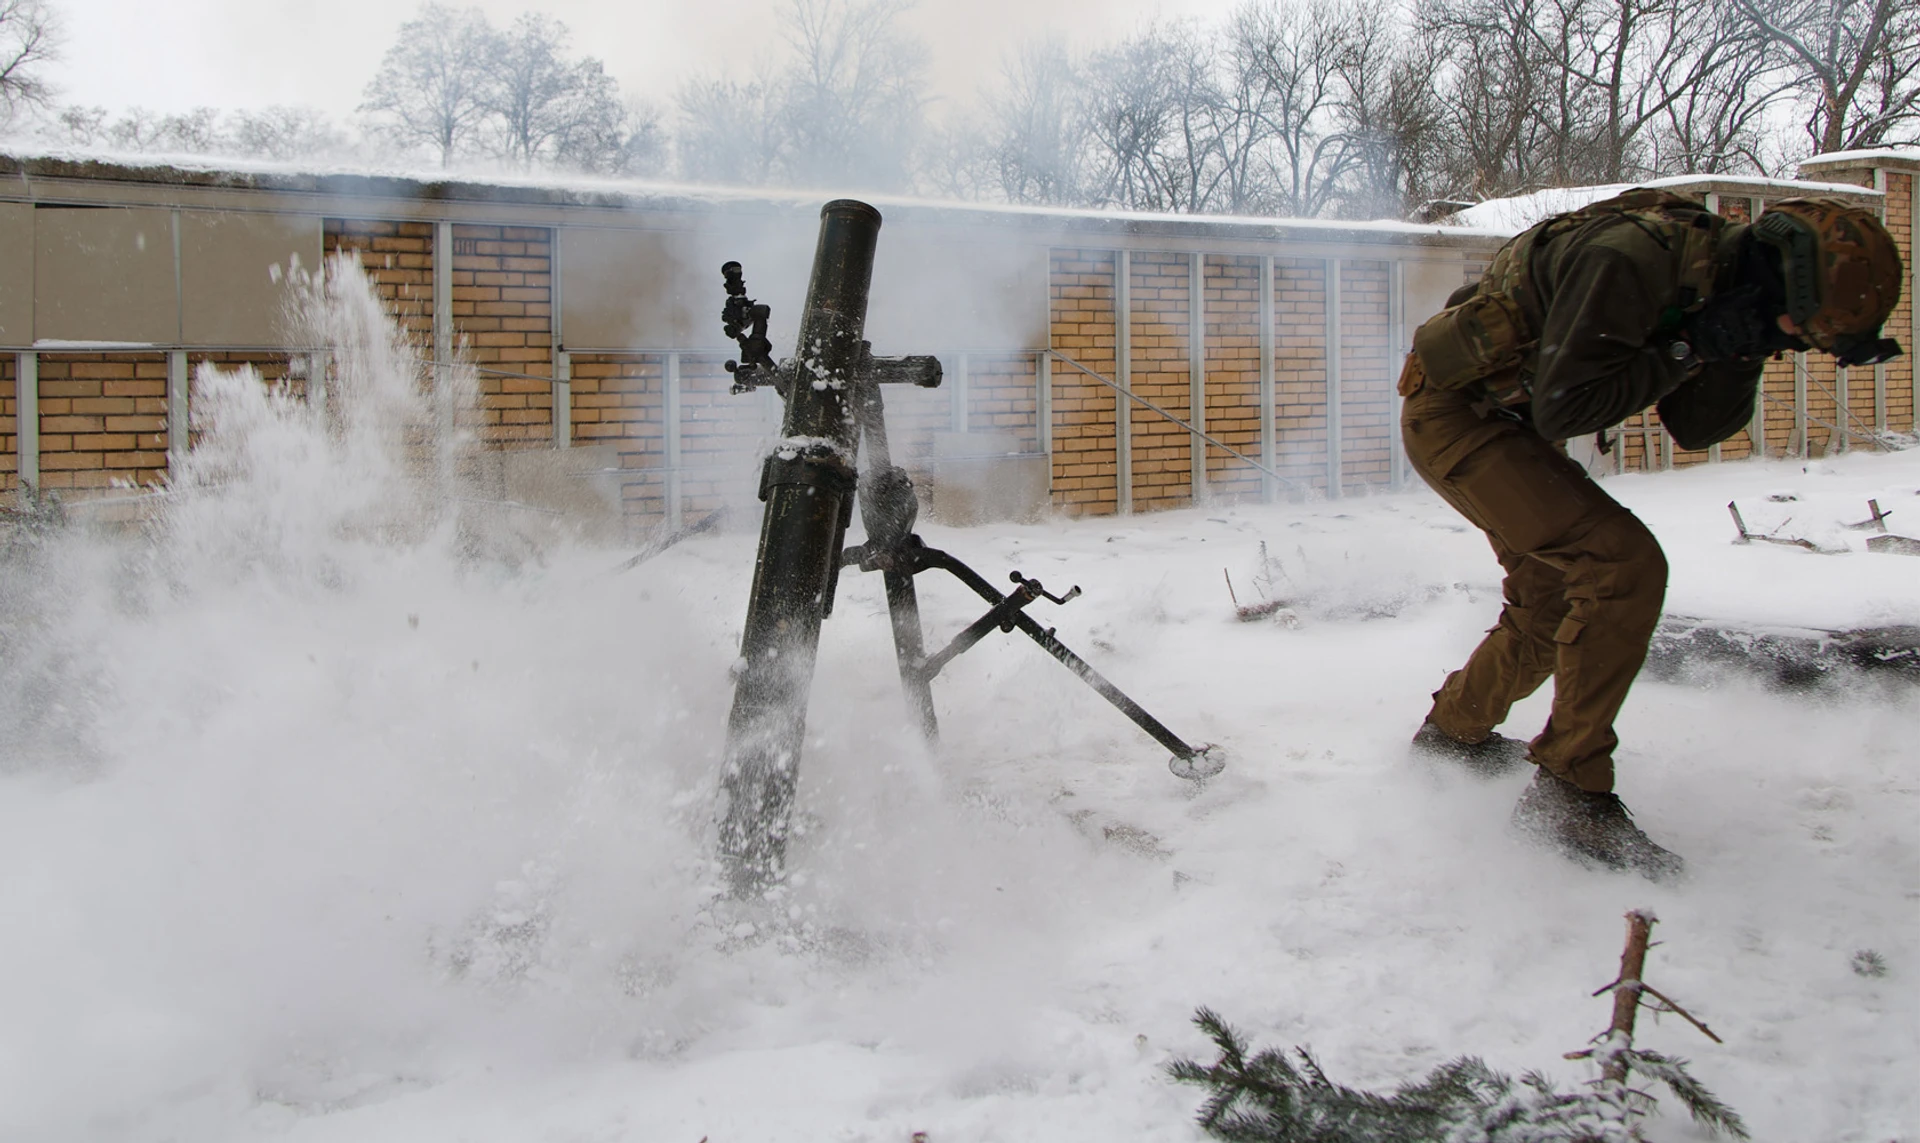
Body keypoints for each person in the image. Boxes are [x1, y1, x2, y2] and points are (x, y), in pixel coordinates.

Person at [1400, 190, 1904, 880]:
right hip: (1456, 415)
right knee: (1621, 563)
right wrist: (1690, 344)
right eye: (1798, 328)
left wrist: (1739, 347)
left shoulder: (1732, 291)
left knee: (1552, 597)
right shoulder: (1631, 258)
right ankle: (1570, 795)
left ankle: (1452, 737)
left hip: (1509, 419)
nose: (1795, 340)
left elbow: (1696, 427)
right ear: (1785, 278)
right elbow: (1567, 406)